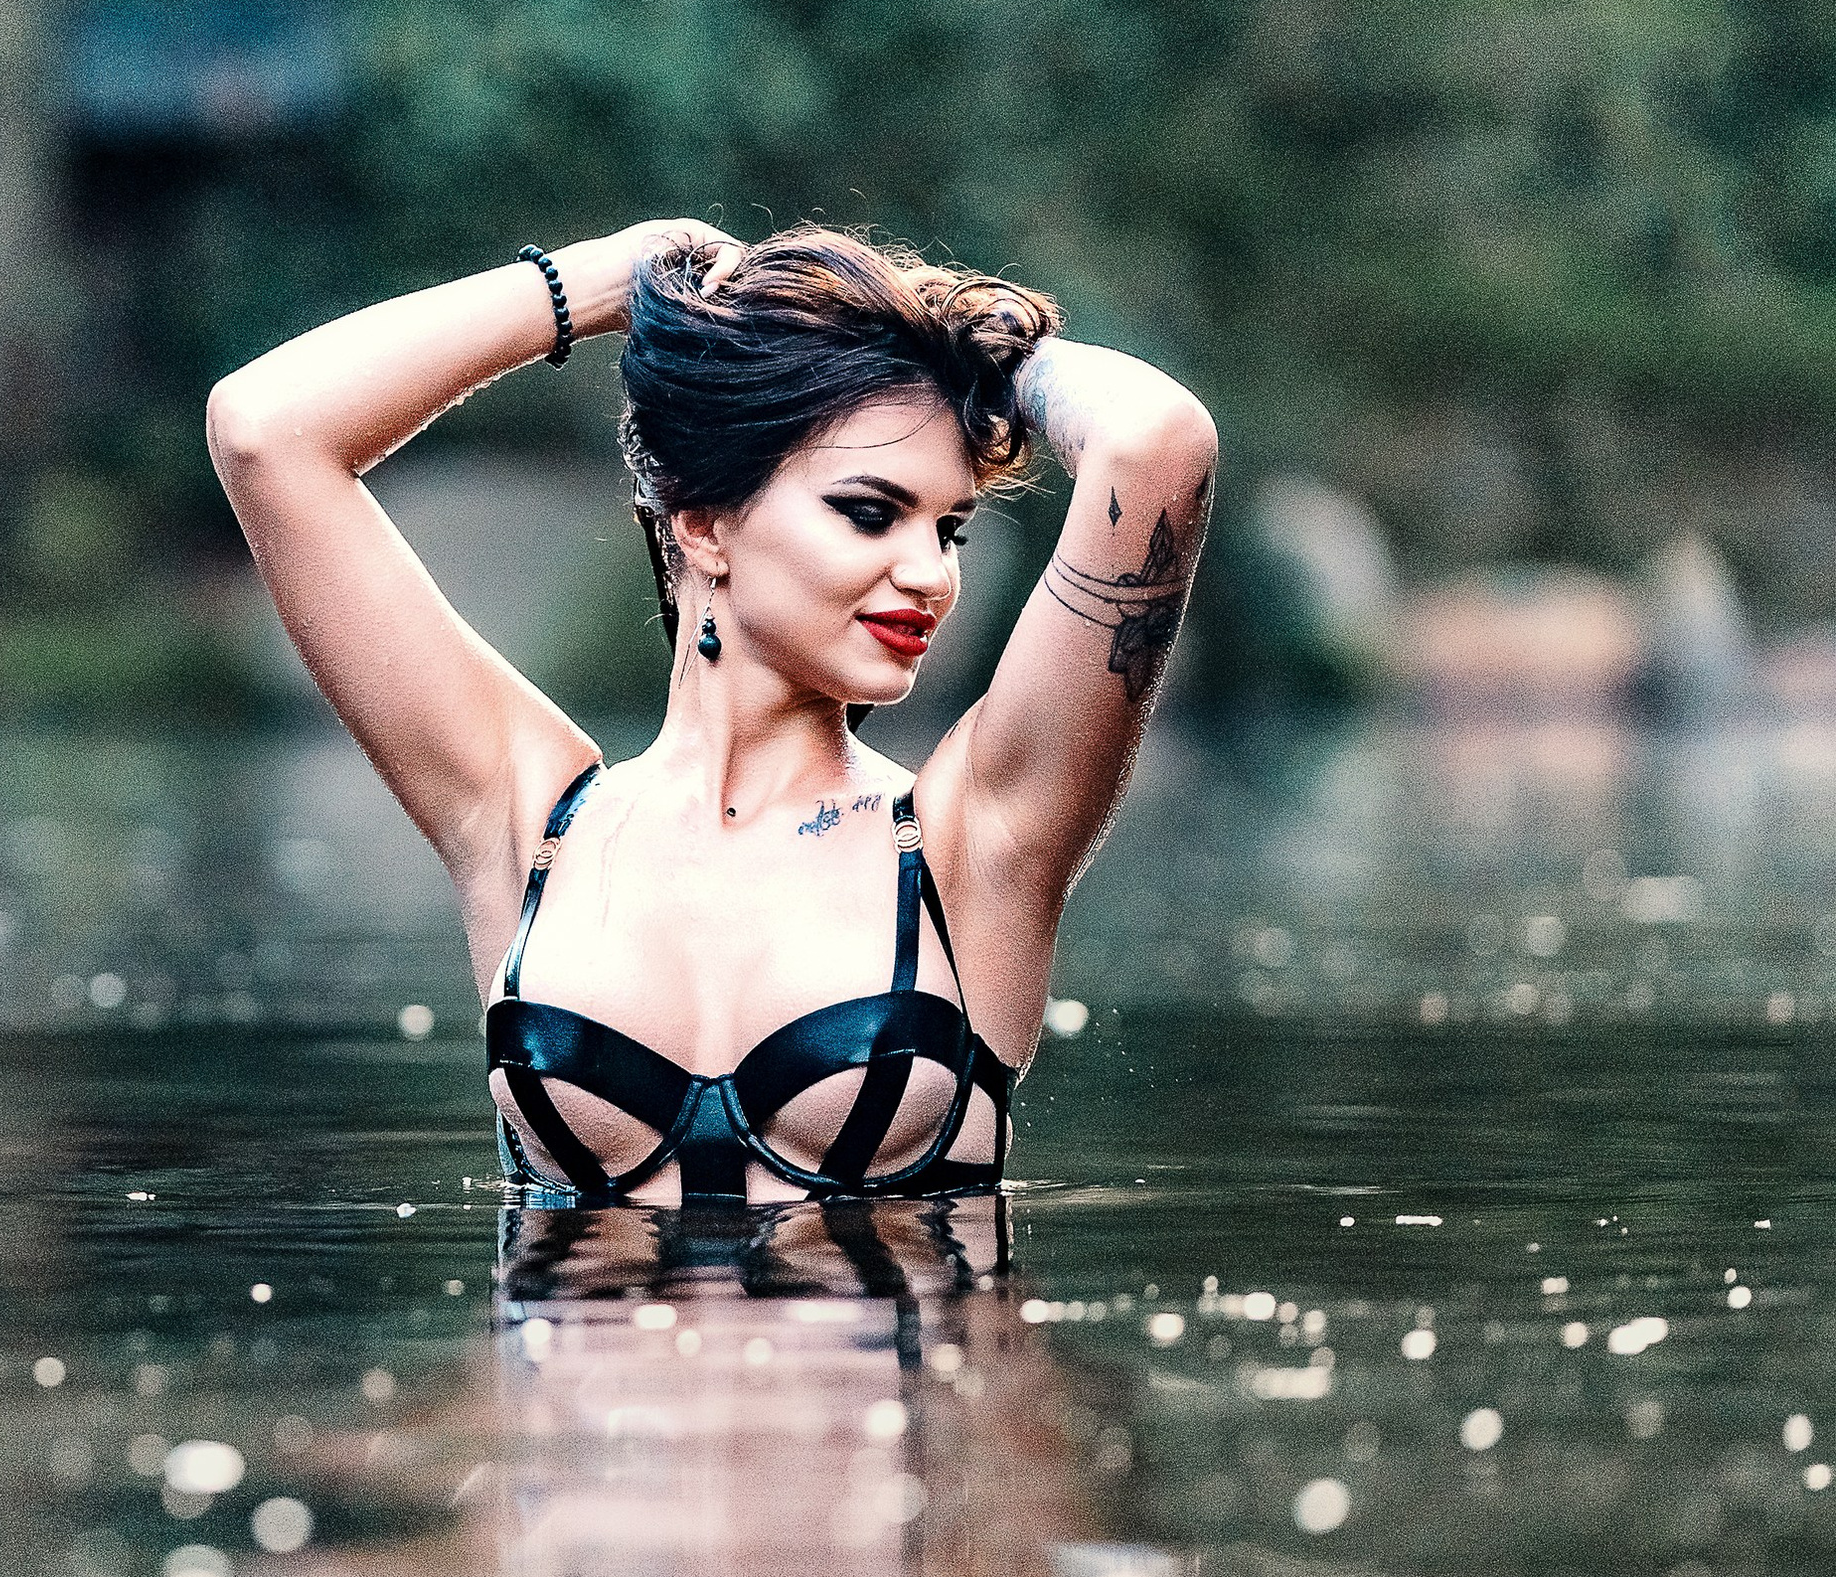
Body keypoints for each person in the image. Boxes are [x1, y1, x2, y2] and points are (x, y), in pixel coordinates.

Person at [207, 220, 1215, 1208]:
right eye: (870, 512)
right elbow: (265, 433)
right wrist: (608, 282)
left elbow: (1155, 446)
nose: (929, 574)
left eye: (946, 527)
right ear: (702, 523)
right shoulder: (527, 818)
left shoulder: (976, 839)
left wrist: (982, 350)